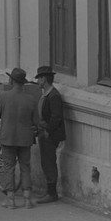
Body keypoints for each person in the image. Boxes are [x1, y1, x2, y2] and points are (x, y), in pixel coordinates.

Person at [0, 68, 38, 209]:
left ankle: (10, 200)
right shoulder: (31, 99)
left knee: (8, 167)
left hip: (8, 138)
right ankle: (27, 199)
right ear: (23, 82)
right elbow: (36, 120)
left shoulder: (3, 96)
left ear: (11, 80)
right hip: (25, 138)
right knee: (25, 167)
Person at [35, 66, 66, 204]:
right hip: (45, 132)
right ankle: (49, 190)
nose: (38, 81)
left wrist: (47, 130)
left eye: (39, 78)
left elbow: (56, 117)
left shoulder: (53, 96)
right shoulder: (47, 94)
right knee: (46, 162)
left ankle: (52, 193)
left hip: (49, 134)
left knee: (49, 163)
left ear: (44, 79)